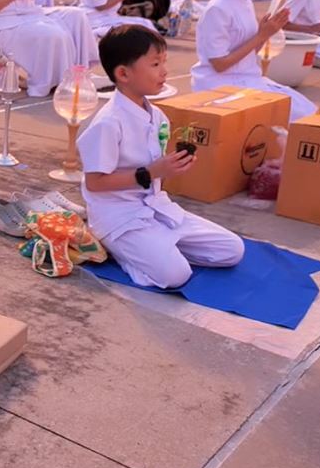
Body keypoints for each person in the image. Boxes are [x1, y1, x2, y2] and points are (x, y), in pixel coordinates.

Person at [81, 25, 244, 289]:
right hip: (119, 217)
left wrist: (172, 167)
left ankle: (157, 248)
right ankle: (123, 250)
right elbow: (95, 183)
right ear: (123, 73)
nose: (164, 72)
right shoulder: (107, 123)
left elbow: (155, 170)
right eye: (155, 64)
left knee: (231, 250)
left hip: (155, 207)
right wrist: (151, 173)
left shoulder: (157, 116)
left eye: (164, 62)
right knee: (175, 276)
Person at [192, 0, 315, 119]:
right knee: (298, 116)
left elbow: (249, 53)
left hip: (246, 78)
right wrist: (261, 35)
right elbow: (219, 65)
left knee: (307, 109)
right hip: (221, 84)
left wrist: (267, 33)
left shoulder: (245, 1)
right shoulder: (218, 9)